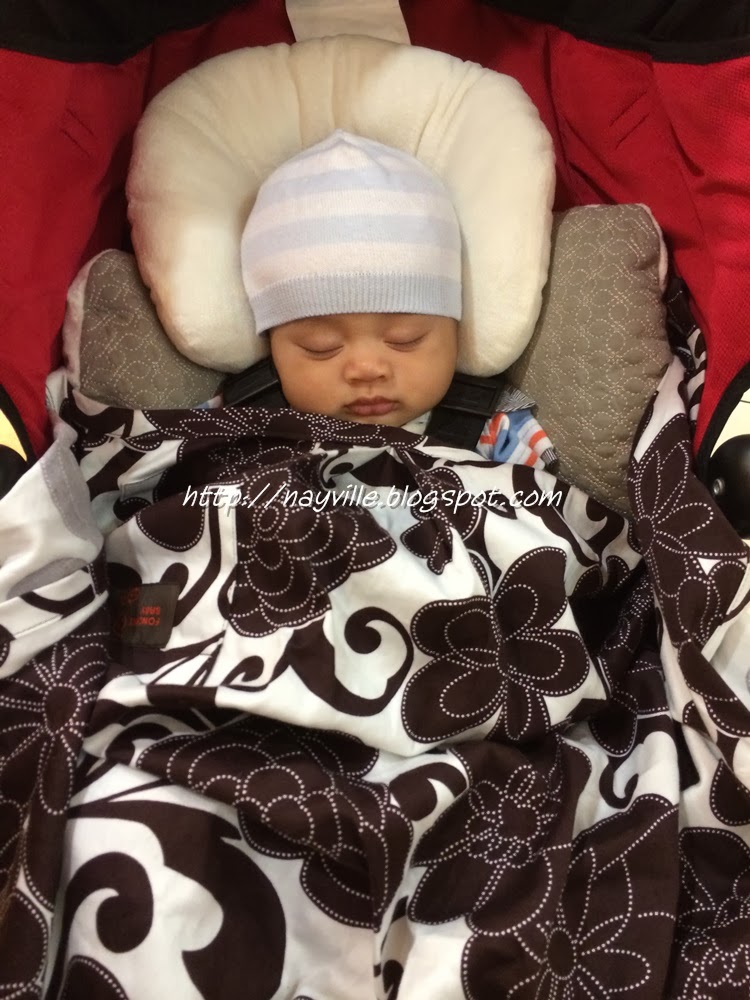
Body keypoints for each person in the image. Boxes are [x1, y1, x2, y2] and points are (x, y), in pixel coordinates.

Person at [240, 130, 554, 467]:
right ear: (272, 346)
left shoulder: (499, 433)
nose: (366, 369)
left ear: (455, 332)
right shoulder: (238, 422)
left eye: (406, 339)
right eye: (321, 346)